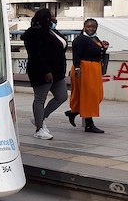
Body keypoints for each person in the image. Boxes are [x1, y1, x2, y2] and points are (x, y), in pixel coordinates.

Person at [22, 9, 68, 140]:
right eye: (52, 17)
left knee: (62, 96)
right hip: (42, 72)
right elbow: (35, 54)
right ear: (46, 18)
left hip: (57, 72)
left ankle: (40, 118)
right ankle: (39, 128)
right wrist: (46, 70)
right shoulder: (34, 33)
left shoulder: (52, 31)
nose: (55, 19)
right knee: (40, 99)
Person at [65, 18, 108, 133]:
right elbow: (76, 55)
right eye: (89, 27)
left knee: (95, 95)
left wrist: (103, 48)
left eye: (93, 27)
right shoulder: (80, 40)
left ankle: (73, 112)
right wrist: (78, 68)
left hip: (94, 69)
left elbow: (98, 54)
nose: (91, 29)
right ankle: (89, 124)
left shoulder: (95, 39)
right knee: (89, 96)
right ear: (84, 26)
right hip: (84, 69)